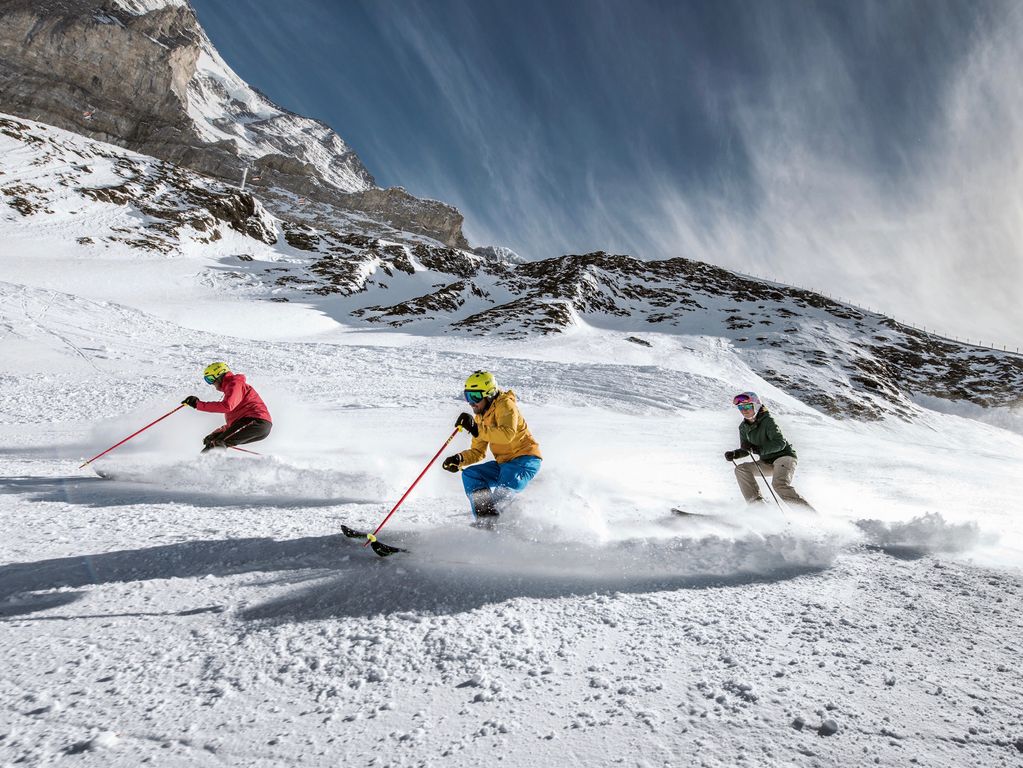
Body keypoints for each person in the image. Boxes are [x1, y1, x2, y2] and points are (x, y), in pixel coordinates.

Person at [442, 370, 543, 520]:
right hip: (504, 464)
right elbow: (478, 451)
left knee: (501, 497)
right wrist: (459, 459)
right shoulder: (481, 416)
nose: (471, 402)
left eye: (475, 396)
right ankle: (486, 520)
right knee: (472, 475)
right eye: (467, 396)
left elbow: (507, 434)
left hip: (524, 460)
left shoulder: (506, 405)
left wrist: (476, 429)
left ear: (489, 394)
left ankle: (505, 528)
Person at [724, 392, 815, 511]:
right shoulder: (743, 427)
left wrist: (759, 449)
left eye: (747, 407)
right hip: (767, 461)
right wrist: (735, 454)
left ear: (756, 406)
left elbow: (780, 443)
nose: (744, 410)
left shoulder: (768, 421)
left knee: (779, 485)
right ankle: (758, 508)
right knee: (741, 469)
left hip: (784, 457)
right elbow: (747, 449)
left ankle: (808, 514)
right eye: (740, 407)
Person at [182, 362, 272, 453]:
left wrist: (197, 404)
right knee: (215, 442)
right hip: (253, 423)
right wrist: (218, 433)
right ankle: (198, 464)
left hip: (256, 422)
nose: (211, 383)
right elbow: (236, 420)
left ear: (219, 375)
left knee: (218, 443)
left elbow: (227, 406)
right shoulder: (232, 387)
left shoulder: (235, 383)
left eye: (210, 379)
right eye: (207, 380)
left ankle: (206, 465)